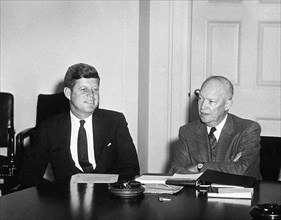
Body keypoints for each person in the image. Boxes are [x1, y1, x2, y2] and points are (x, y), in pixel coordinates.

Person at [19, 63, 140, 188]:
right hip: (65, 200)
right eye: (83, 89)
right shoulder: (48, 129)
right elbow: (29, 175)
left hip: (108, 197)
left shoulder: (115, 122)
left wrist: (118, 190)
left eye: (95, 89)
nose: (91, 95)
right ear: (68, 93)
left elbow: (131, 167)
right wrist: (55, 194)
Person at [169, 75, 262, 179]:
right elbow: (175, 172)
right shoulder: (187, 132)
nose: (203, 106)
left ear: (227, 105)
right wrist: (228, 167)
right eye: (200, 98)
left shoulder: (248, 129)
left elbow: (242, 170)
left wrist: (200, 167)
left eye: (211, 101)